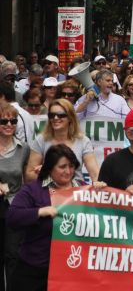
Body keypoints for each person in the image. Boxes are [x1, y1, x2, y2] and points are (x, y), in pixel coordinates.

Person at [7, 145, 98, 290]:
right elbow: (12, 217)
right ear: (49, 168)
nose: (68, 171)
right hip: (34, 272)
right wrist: (39, 212)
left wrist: (105, 194)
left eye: (71, 166)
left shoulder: (83, 189)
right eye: (62, 167)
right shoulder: (33, 190)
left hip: (70, 272)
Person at [27, 99, 99, 184]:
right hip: (49, 192)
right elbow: (29, 175)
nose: (55, 118)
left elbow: (95, 174)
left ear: (70, 118)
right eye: (52, 115)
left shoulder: (83, 141)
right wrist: (46, 174)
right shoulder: (41, 140)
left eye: (61, 115)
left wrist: (98, 184)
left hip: (75, 192)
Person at [0, 103, 30, 290]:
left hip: (13, 207)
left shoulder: (23, 148)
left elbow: (27, 180)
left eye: (13, 120)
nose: (9, 124)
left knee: (13, 255)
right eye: (4, 121)